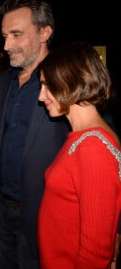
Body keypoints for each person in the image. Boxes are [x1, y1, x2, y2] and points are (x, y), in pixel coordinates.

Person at [0, 0, 70, 269]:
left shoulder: (66, 79)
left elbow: (104, 142)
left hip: (44, 212)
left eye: (16, 35)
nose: (6, 46)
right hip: (3, 210)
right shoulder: (6, 81)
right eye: (4, 36)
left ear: (44, 33)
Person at [37, 41, 121, 268]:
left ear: (69, 83)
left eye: (47, 85)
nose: (41, 96)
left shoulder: (94, 147)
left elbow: (95, 252)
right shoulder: (82, 136)